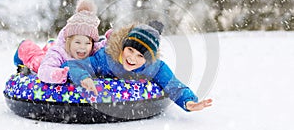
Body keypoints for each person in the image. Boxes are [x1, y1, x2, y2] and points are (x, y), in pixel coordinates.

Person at [65, 21, 212, 112]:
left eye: (140, 56)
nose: (132, 58)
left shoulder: (154, 67)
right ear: (123, 47)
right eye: (130, 50)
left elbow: (172, 85)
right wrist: (83, 77)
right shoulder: (106, 58)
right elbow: (71, 65)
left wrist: (188, 102)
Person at [14, 0, 106, 91]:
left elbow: (104, 46)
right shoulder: (58, 53)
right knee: (36, 59)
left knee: (50, 46)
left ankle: (50, 44)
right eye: (77, 42)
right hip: (49, 60)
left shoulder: (92, 49)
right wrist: (57, 74)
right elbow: (44, 70)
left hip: (54, 46)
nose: (83, 47)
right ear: (68, 41)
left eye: (87, 43)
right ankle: (23, 47)